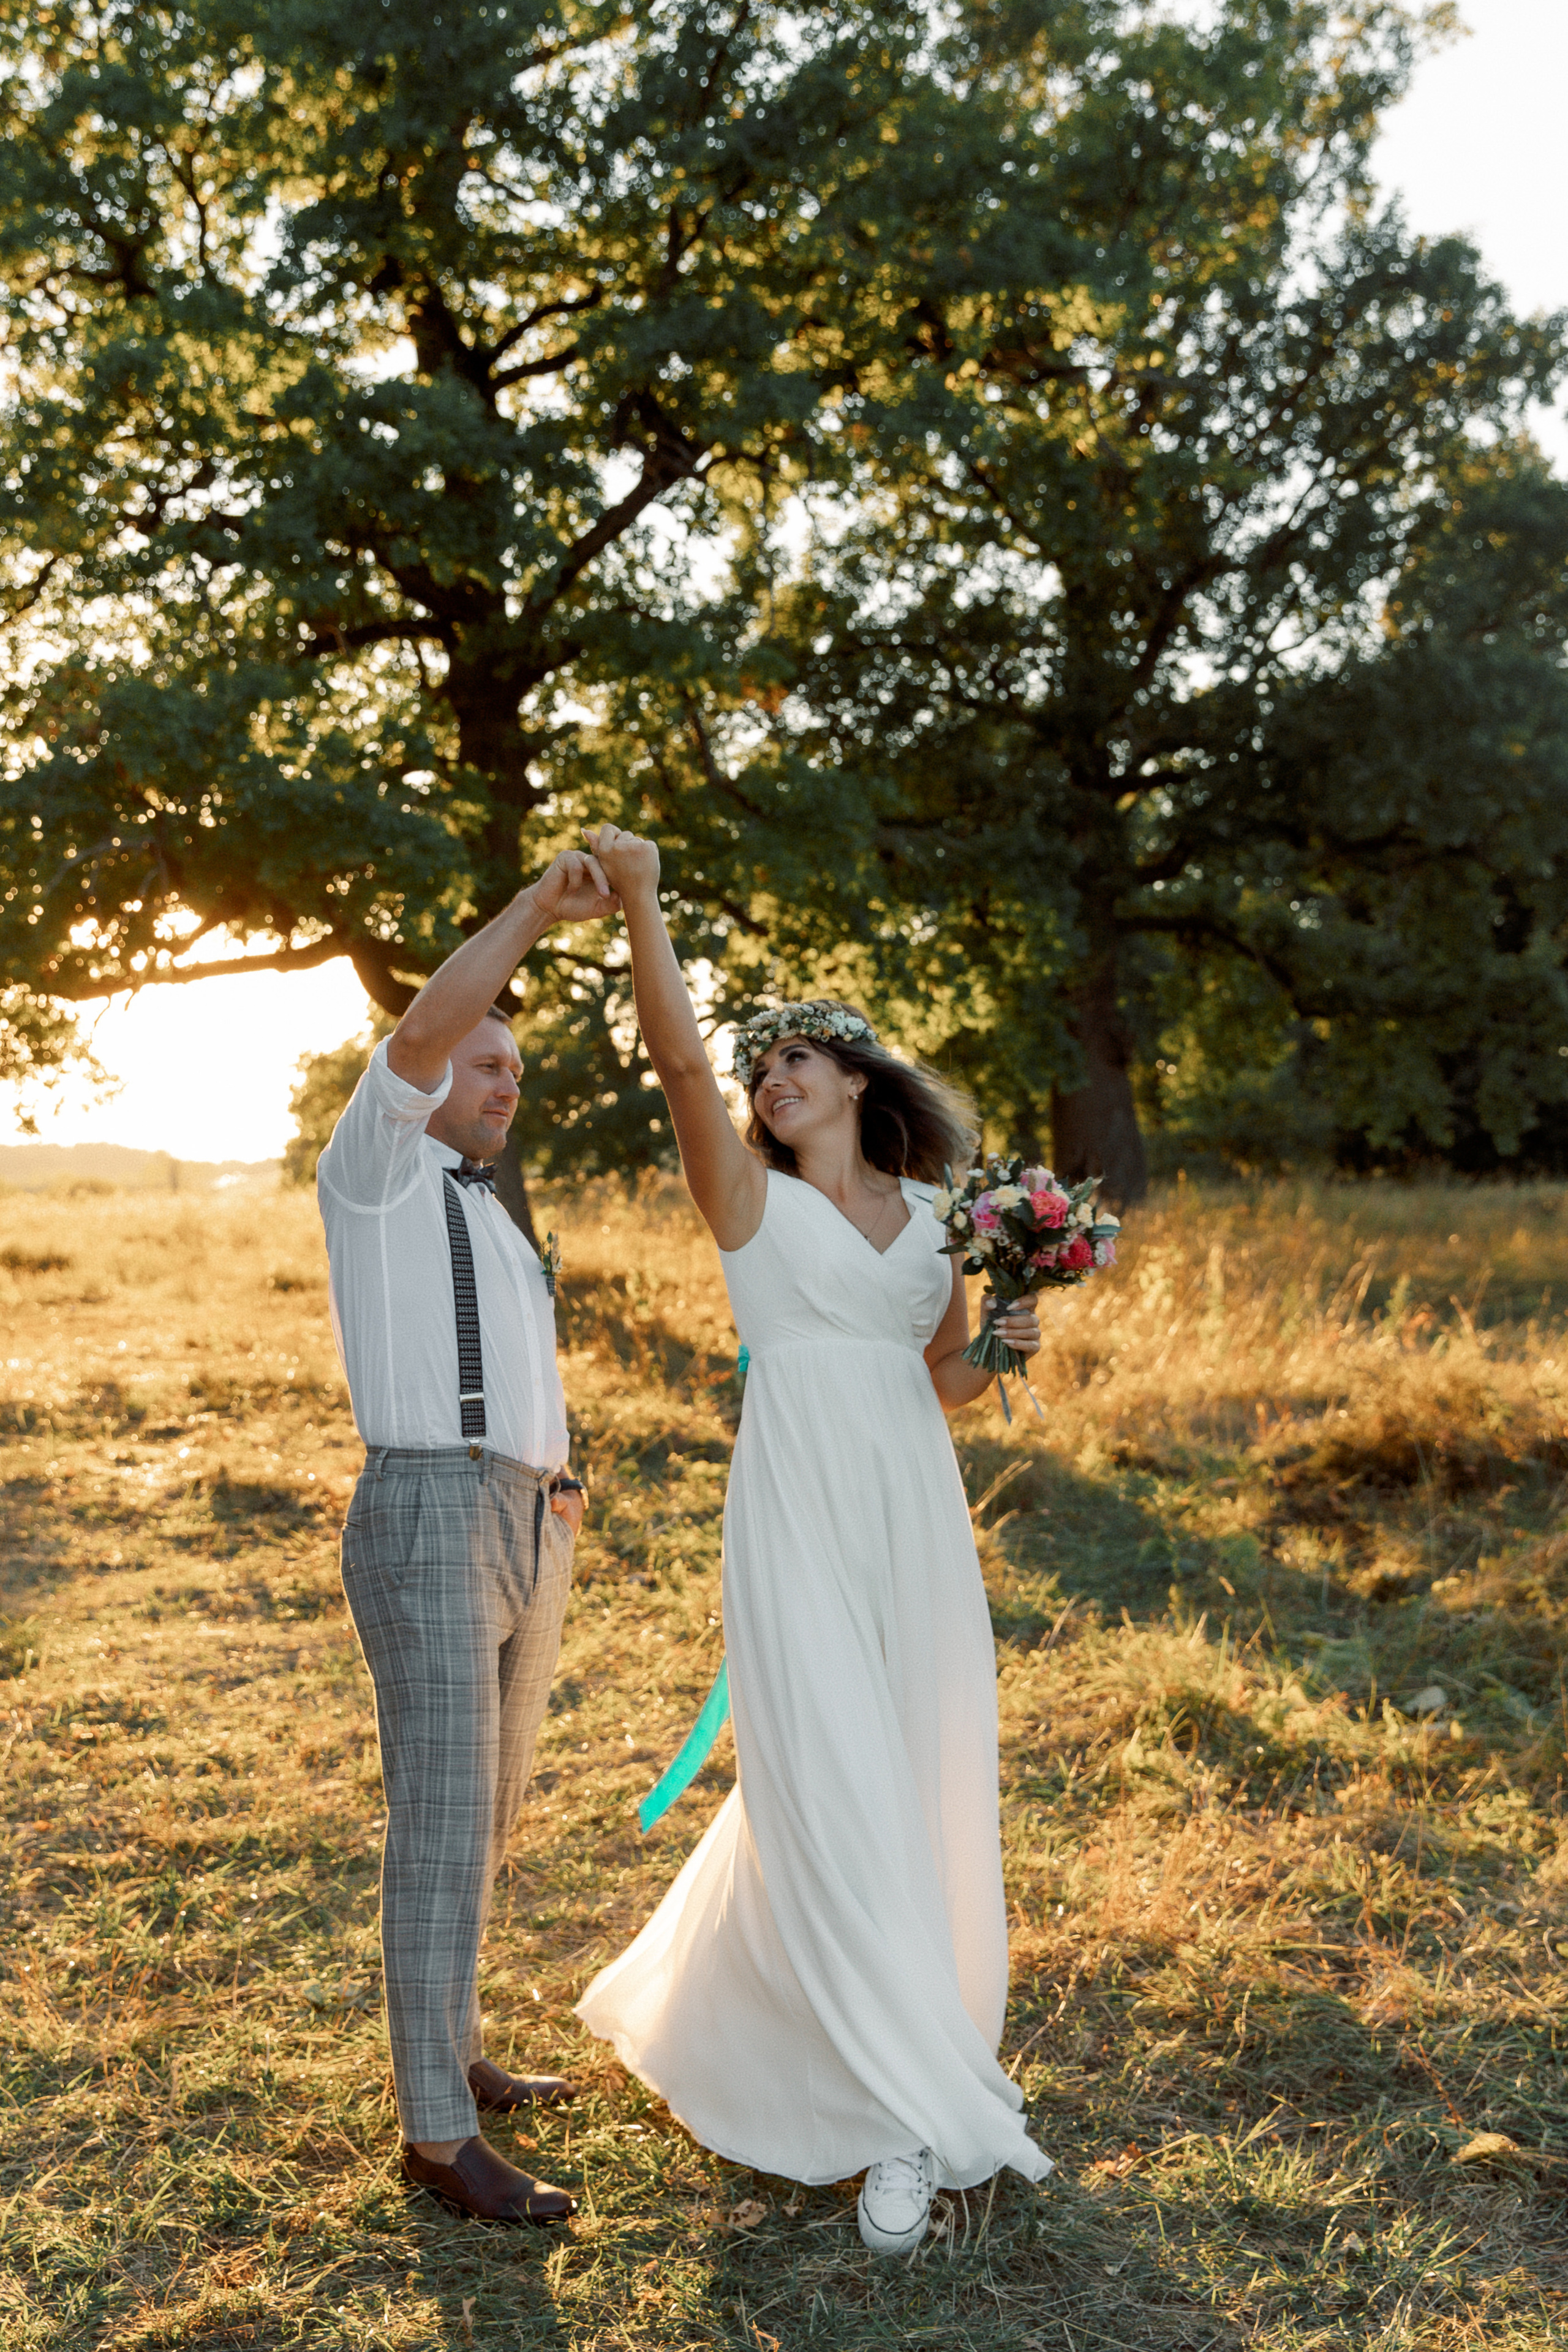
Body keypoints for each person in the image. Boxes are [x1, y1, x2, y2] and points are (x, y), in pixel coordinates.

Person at [574, 822, 1053, 2255]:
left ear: (855, 1078)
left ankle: (820, 2028)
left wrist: (1012, 1347)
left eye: (796, 1059)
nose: (769, 1078)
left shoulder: (941, 1224)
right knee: (825, 1774)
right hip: (790, 1511)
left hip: (911, 1520)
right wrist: (645, 907)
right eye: (758, 1066)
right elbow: (672, 1063)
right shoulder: (747, 1205)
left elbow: (944, 1387)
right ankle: (893, 2121)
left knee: (910, 1776)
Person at [315, 847, 616, 2226]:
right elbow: (427, 1032)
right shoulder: (373, 1170)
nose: (504, 1086)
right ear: (432, 1080)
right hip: (431, 1511)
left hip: (522, 1521)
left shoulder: (490, 1211)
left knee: (486, 1816)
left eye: (513, 1072)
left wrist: (559, 1483)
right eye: (486, 1067)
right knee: (440, 1825)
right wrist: (535, 916)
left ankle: (453, 2056)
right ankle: (436, 2141)